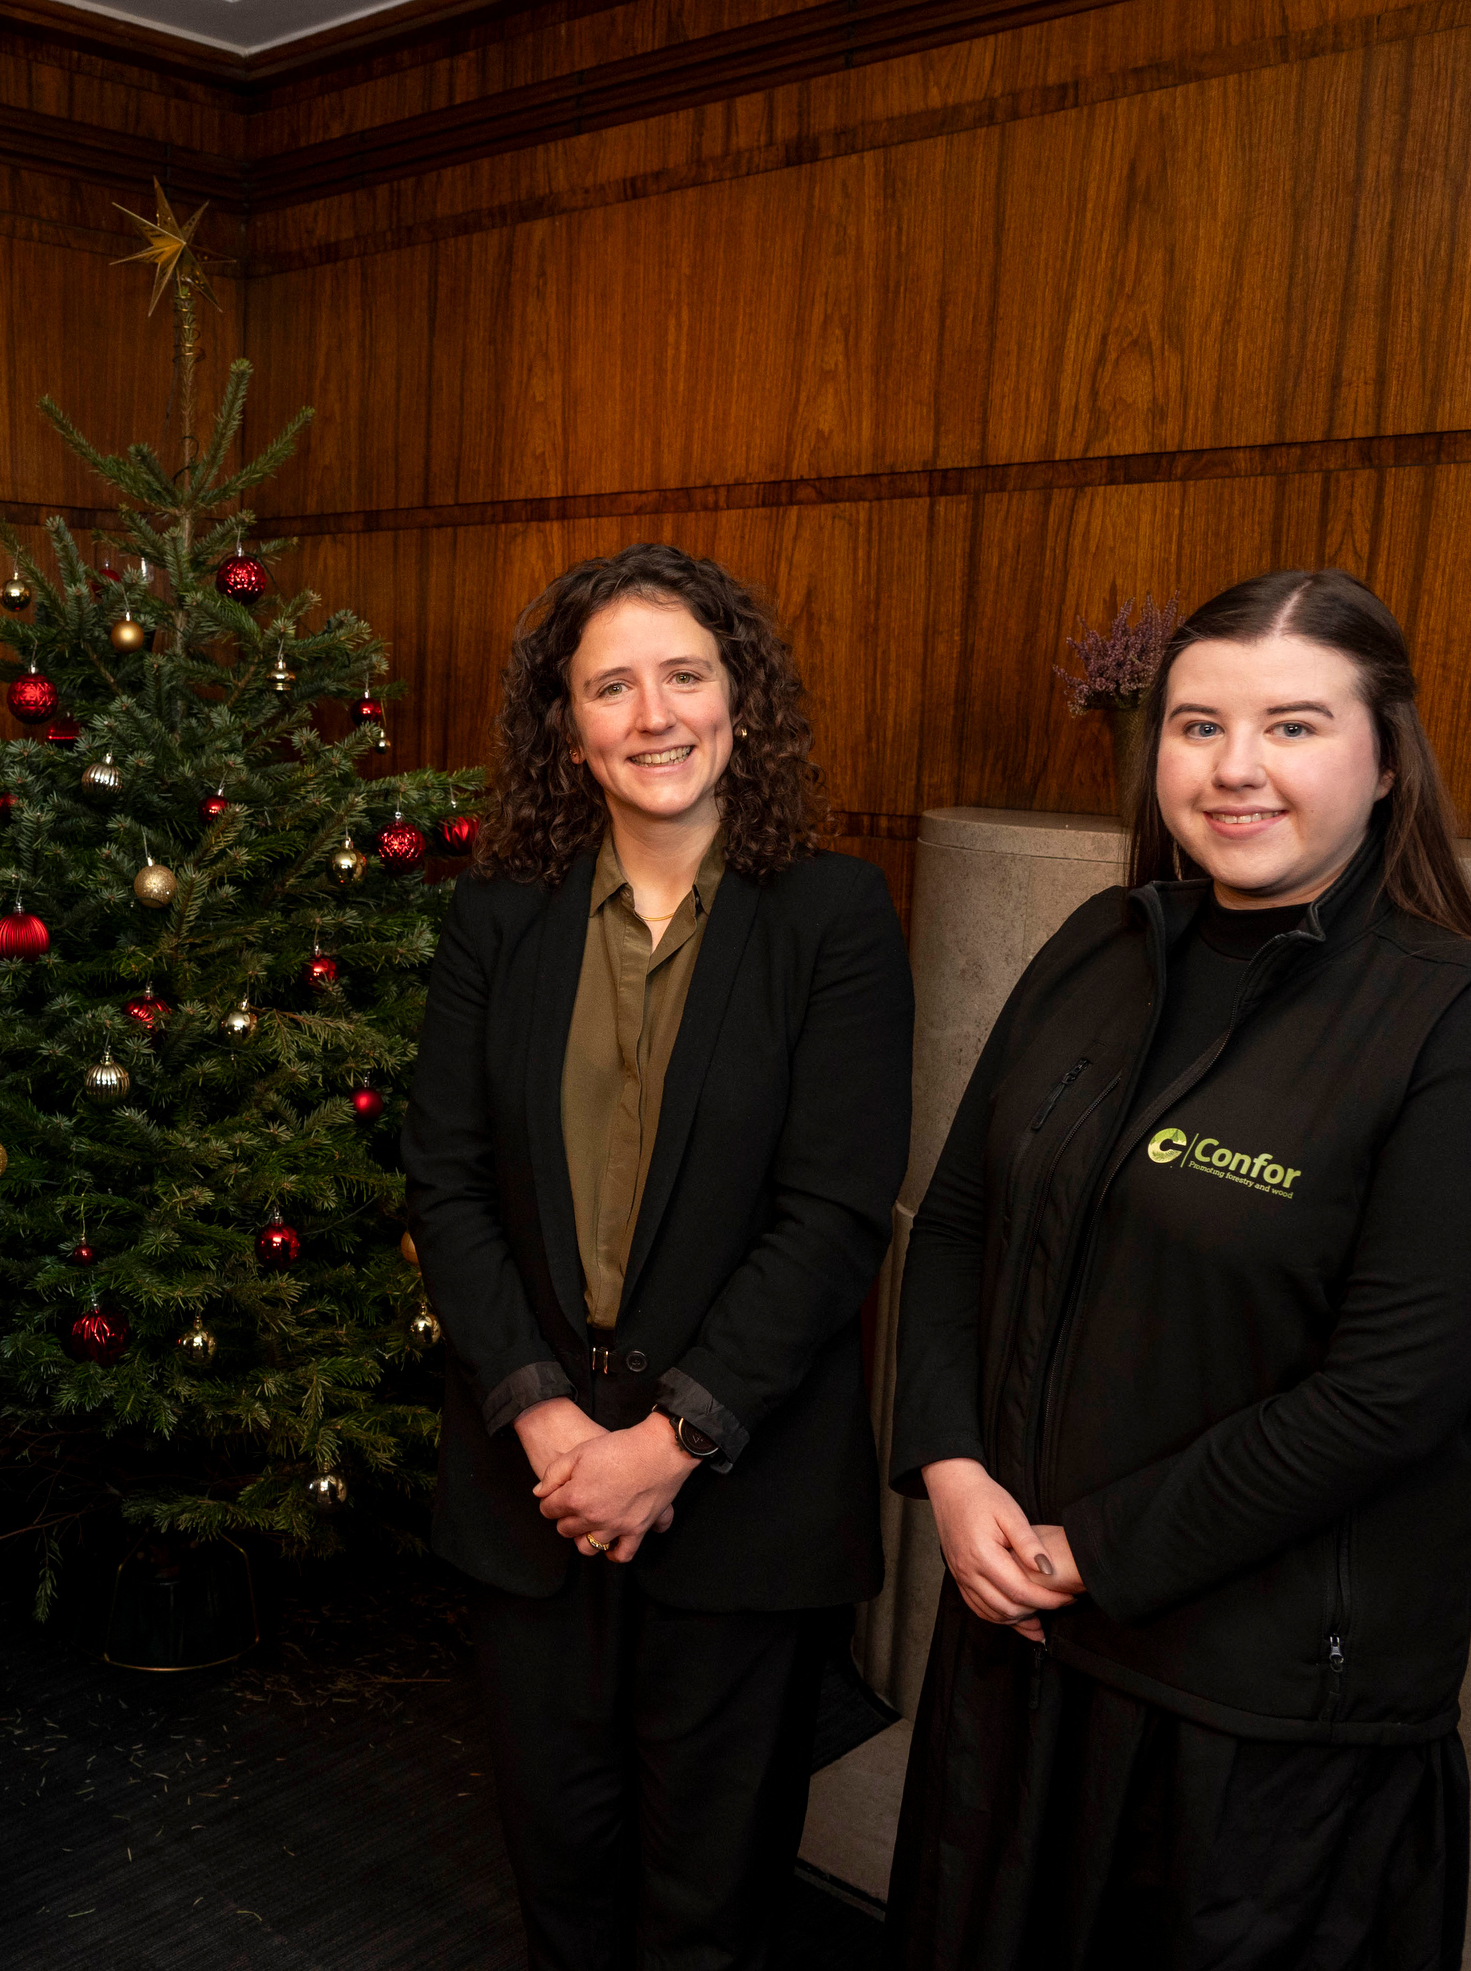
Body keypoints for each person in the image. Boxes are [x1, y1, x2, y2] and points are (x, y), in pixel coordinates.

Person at [885, 569, 1471, 1970]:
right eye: (1198, 725)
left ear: (1388, 762)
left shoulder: (1462, 1025)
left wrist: (1093, 1550)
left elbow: (1387, 1398)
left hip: (1248, 1723)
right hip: (1016, 1645)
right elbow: (955, 1223)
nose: (1236, 769)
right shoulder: (1099, 945)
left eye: (1296, 726)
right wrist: (951, 1472)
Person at [402, 543, 914, 1968]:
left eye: (684, 675)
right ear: (565, 726)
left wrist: (670, 1440)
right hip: (535, 1490)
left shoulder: (834, 916)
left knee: (711, 1902)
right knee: (559, 1877)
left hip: (738, 1507)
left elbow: (834, 1215)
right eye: (609, 687)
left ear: (740, 699)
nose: (653, 715)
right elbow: (443, 1181)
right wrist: (550, 1417)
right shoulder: (499, 917)